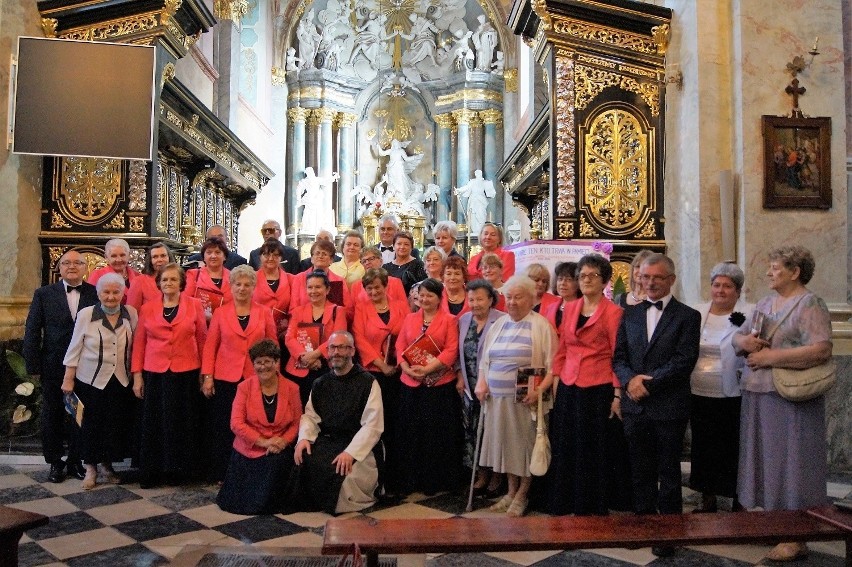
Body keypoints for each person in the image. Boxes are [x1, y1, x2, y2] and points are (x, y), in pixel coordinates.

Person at [732, 246, 832, 562]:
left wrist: (771, 357)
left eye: (775, 267)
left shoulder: (810, 303)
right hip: (758, 391)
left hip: (792, 396)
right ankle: (775, 523)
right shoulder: (764, 302)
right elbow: (740, 336)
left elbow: (821, 349)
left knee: (794, 463)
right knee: (767, 462)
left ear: (795, 271)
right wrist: (743, 343)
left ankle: (797, 534)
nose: (769, 273)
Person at [612, 253, 700, 558]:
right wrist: (628, 381)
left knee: (668, 471)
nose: (649, 282)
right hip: (635, 405)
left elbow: (684, 361)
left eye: (657, 278)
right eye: (645, 277)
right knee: (640, 469)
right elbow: (619, 357)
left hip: (668, 405)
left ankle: (669, 531)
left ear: (671, 280)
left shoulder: (688, 316)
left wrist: (646, 384)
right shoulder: (630, 315)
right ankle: (643, 524)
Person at [475, 276, 557, 517]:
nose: (511, 302)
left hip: (526, 400)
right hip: (496, 399)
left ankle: (523, 495)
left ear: (531, 299)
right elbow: (484, 361)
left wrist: (539, 390)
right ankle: (510, 492)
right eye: (508, 297)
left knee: (525, 447)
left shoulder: (541, 325)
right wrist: (482, 382)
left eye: (518, 297)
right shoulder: (498, 324)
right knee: (506, 447)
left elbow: (554, 367)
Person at [548, 254, 623, 515]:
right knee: (567, 443)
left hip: (598, 385)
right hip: (569, 383)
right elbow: (563, 348)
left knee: (592, 446)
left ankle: (590, 503)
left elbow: (618, 354)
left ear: (604, 281)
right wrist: (557, 378)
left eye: (593, 275)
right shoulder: (569, 308)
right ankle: (566, 499)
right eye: (582, 276)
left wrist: (617, 393)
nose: (586, 280)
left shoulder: (614, 313)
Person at [22, 250, 98, 483]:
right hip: (53, 364)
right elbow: (33, 329)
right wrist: (32, 364)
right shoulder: (44, 294)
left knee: (80, 415)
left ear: (86, 267)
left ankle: (76, 461)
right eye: (66, 263)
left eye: (78, 263)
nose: (72, 266)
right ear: (59, 268)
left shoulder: (95, 293)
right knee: (52, 414)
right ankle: (55, 462)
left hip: (86, 365)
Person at [131, 263, 207, 487]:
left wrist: (206, 373)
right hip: (155, 373)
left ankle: (181, 472)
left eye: (173, 279)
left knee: (183, 423)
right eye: (165, 280)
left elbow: (202, 340)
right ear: (159, 283)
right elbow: (139, 343)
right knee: (156, 423)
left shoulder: (194, 305)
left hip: (186, 373)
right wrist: (137, 375)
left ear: (181, 283)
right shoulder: (148, 308)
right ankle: (154, 471)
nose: (169, 283)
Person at [61, 273, 138, 490]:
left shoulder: (130, 313)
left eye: (116, 292)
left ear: (123, 293)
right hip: (91, 380)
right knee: (90, 426)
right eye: (106, 292)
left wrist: (136, 375)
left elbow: (136, 346)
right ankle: (91, 469)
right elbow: (74, 346)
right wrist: (68, 378)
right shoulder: (87, 314)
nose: (111, 296)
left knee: (113, 425)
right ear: (98, 293)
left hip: (120, 379)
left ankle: (107, 466)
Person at [201, 265, 277, 482]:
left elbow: (273, 346)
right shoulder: (220, 313)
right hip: (226, 377)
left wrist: (274, 376)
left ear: (254, 287)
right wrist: (208, 377)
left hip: (257, 378)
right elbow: (210, 346)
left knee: (254, 425)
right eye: (238, 284)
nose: (242, 288)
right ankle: (223, 472)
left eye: (247, 284)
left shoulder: (264, 312)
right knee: (225, 426)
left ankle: (251, 471)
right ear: (231, 286)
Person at [294, 331, 384, 513]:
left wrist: (350, 453)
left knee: (346, 476)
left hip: (359, 445)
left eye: (342, 347)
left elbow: (372, 426)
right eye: (332, 348)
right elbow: (310, 416)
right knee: (302, 462)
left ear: (352, 351)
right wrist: (303, 438)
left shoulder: (368, 382)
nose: (336, 353)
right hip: (330, 441)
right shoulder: (320, 383)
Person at [689, 262, 754, 514]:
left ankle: (739, 497)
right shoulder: (697, 311)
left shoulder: (749, 312)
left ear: (738, 290)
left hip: (734, 390)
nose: (721, 290)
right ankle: (707, 497)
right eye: (717, 284)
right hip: (699, 389)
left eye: (727, 286)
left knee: (733, 445)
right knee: (703, 445)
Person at [216, 339, 302, 515]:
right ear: (253, 364)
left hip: (279, 448)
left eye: (268, 362)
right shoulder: (244, 388)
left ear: (277, 362)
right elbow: (236, 423)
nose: (263, 367)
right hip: (250, 448)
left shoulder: (292, 388)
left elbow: (296, 422)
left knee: (277, 464)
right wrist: (263, 442)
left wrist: (283, 442)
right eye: (258, 362)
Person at [395, 278, 462, 494]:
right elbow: (400, 346)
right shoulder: (410, 318)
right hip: (410, 382)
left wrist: (428, 369)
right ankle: (410, 480)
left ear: (439, 297)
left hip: (439, 384)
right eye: (421, 295)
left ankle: (434, 481)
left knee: (435, 434)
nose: (424, 299)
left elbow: (451, 349)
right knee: (411, 432)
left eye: (429, 295)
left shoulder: (449, 320)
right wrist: (404, 367)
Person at [352, 268, 409, 494]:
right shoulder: (361, 308)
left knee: (395, 424)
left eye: (377, 286)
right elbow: (359, 339)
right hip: (373, 373)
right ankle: (376, 475)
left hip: (399, 372)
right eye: (369, 288)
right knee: (375, 424)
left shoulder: (401, 306)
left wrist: (399, 362)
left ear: (386, 286)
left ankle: (397, 476)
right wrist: (381, 364)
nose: (374, 291)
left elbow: (407, 335)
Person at [457, 279, 504, 496]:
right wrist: (459, 375)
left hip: (493, 388)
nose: (475, 303)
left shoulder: (502, 320)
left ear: (491, 299)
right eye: (471, 299)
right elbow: (459, 353)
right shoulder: (464, 320)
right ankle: (481, 474)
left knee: (492, 433)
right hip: (469, 387)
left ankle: (496, 477)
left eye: (480, 299)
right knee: (474, 432)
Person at [285, 270, 349, 406]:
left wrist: (314, 355)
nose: (313, 291)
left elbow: (337, 339)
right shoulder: (298, 311)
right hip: (298, 368)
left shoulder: (338, 311)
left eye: (318, 287)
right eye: (310, 287)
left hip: (327, 367)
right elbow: (289, 338)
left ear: (327, 289)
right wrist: (305, 358)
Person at [291, 240, 351, 310]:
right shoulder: (299, 278)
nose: (320, 256)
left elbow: (348, 309)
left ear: (331, 260)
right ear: (311, 259)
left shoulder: (339, 281)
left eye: (324, 254)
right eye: (317, 253)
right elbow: (293, 308)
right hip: (303, 319)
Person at [252, 241, 293, 344]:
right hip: (257, 331)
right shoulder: (251, 278)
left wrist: (289, 325)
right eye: (266, 255)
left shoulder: (291, 280)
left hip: (284, 334)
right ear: (260, 257)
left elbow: (295, 308)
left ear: (281, 258)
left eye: (275, 255)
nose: (270, 258)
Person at [185, 237, 233, 320]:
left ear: (224, 256)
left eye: (218, 252)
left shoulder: (233, 277)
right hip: (199, 324)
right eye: (209, 252)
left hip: (227, 324)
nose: (213, 256)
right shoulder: (193, 275)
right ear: (203, 257)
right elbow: (186, 302)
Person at [127, 242, 175, 311]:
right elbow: (132, 312)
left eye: (163, 256)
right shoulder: (139, 281)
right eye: (155, 257)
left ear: (169, 258)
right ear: (150, 260)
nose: (159, 260)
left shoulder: (178, 280)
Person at [383, 231, 427, 295]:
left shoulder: (419, 265)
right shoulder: (385, 267)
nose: (402, 247)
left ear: (411, 247)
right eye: (399, 244)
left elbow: (423, 288)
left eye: (406, 244)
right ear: (393, 246)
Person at [542, 261, 581, 332]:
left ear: (579, 283)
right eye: (560, 279)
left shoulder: (583, 308)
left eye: (569, 280)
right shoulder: (550, 308)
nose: (563, 283)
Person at [454, 170, 496, 235]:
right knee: (473, 215)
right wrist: (459, 190)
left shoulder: (484, 182)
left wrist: (491, 192)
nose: (478, 175)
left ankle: (481, 230)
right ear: (475, 175)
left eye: (479, 173)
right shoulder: (472, 182)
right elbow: (466, 188)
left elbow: (491, 192)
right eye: (477, 174)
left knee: (481, 214)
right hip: (473, 201)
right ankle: (475, 230)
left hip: (481, 201)